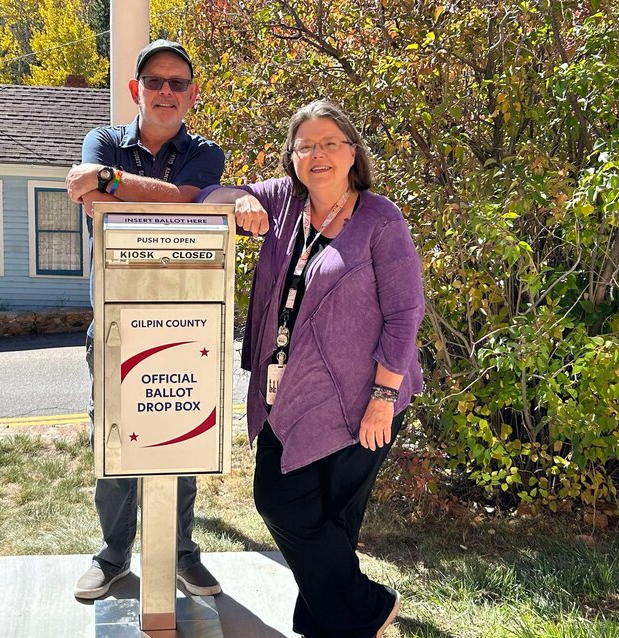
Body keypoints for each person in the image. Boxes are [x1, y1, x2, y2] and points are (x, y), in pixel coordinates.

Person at [200, 100, 424, 637]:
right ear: (292, 157)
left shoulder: (379, 218)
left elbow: (405, 312)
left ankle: (330, 618)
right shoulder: (281, 201)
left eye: (329, 143)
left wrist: (383, 397)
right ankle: (364, 608)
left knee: (334, 517)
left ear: (352, 152)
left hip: (361, 399)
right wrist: (239, 202)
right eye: (305, 145)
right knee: (281, 502)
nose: (317, 154)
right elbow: (211, 196)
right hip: (286, 393)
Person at [66, 39, 225, 601]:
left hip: (185, 326)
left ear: (192, 95)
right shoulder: (104, 140)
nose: (165, 91)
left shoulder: (208, 153)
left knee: (181, 438)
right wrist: (121, 188)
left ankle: (181, 553)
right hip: (113, 323)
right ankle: (112, 556)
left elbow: (186, 203)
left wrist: (113, 184)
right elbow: (91, 190)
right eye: (155, 82)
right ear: (136, 90)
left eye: (177, 83)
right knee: (112, 441)